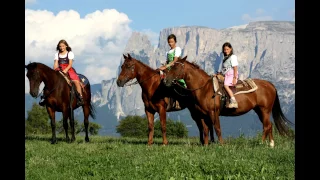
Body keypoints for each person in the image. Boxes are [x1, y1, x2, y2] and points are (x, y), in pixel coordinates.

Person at [53, 39, 84, 106]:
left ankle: (80, 97)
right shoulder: (57, 54)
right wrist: (55, 69)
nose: (61, 48)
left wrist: (66, 70)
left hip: (68, 69)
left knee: (76, 81)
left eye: (63, 46)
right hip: (60, 69)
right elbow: (55, 63)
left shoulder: (70, 53)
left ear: (66, 46)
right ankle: (46, 97)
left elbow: (70, 64)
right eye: (60, 46)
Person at [218, 42, 239, 108]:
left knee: (226, 85)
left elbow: (235, 67)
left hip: (231, 74)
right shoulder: (226, 58)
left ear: (231, 49)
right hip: (226, 74)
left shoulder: (233, 57)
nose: (226, 51)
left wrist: (234, 78)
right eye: (225, 49)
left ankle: (233, 100)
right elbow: (225, 68)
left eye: (227, 49)